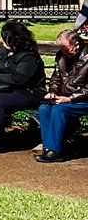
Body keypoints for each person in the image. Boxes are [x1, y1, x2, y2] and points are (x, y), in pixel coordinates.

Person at [0, 19, 46, 154]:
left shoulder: (30, 56)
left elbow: (20, 79)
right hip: (6, 88)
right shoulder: (3, 53)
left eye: (4, 38)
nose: (1, 40)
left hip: (29, 91)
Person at [34, 23, 88, 162]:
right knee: (44, 109)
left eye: (66, 49)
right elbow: (56, 78)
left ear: (76, 45)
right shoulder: (61, 56)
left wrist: (69, 99)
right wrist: (52, 92)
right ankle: (49, 148)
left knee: (59, 110)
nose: (64, 52)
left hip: (82, 98)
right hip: (65, 97)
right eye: (61, 49)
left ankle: (56, 151)